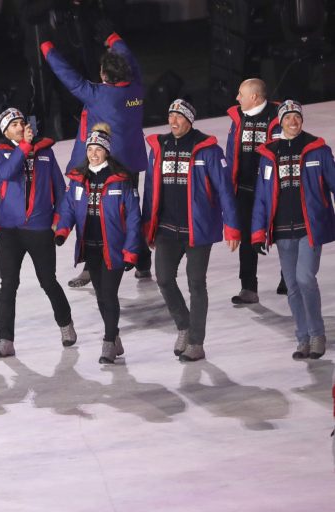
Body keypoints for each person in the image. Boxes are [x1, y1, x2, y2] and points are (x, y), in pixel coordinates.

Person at [41, 27, 150, 285]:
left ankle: (91, 267)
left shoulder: (97, 95)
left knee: (91, 214)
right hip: (131, 163)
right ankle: (142, 263)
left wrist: (48, 49)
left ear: (103, 76)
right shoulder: (137, 87)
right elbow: (130, 61)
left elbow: (68, 77)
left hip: (102, 165)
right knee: (131, 213)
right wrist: (115, 39)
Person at [142, 99, 240, 362]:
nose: (173, 122)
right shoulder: (159, 147)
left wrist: (232, 226)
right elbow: (150, 189)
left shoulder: (207, 149)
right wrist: (147, 226)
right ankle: (184, 326)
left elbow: (224, 190)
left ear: (189, 120)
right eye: (170, 116)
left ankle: (196, 342)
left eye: (179, 117)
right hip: (165, 228)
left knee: (196, 284)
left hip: (198, 229)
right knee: (163, 278)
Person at [0, 107, 75, 358]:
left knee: (48, 281)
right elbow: (5, 174)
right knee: (8, 285)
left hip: (39, 227)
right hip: (10, 230)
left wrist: (59, 218)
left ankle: (66, 323)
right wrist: (24, 147)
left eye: (21, 122)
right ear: (5, 131)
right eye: (13, 124)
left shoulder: (44, 152)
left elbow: (59, 187)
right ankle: (5, 340)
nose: (19, 126)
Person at [252, 100, 335, 360]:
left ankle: (317, 335)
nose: (293, 121)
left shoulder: (318, 150)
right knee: (292, 286)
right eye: (288, 118)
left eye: (297, 117)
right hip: (281, 231)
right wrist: (257, 232)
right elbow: (262, 198)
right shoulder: (269, 155)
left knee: (305, 278)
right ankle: (302, 339)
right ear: (280, 122)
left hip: (310, 228)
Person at [54, 124, 141, 364]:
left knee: (109, 295)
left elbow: (134, 218)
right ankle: (114, 337)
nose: (93, 153)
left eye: (98, 149)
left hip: (113, 249)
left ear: (107, 152)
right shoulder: (78, 178)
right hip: (90, 247)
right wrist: (62, 230)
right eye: (90, 149)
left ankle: (108, 342)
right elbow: (69, 208)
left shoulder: (121, 180)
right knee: (101, 297)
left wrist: (131, 251)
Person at [225, 78, 281, 305]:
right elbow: (231, 153)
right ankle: (248, 287)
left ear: (255, 97)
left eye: (241, 94)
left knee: (282, 233)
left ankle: (288, 278)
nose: (237, 98)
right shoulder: (238, 118)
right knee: (247, 238)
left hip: (272, 188)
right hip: (245, 190)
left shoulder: (277, 116)